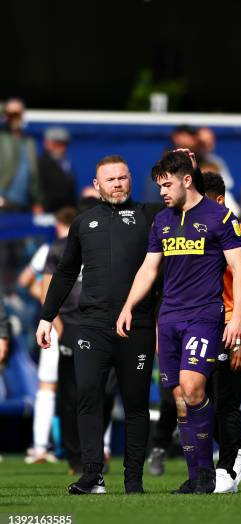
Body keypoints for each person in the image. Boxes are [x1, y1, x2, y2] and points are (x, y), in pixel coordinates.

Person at [116, 151, 241, 495]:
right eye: (159, 185)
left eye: (167, 184)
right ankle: (197, 476)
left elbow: (240, 269)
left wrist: (240, 321)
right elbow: (149, 268)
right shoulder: (162, 221)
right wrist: (129, 305)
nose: (161, 191)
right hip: (168, 317)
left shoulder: (220, 217)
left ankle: (207, 472)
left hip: (204, 314)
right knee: (178, 398)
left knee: (192, 388)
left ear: (187, 180)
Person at [36, 155, 161, 494]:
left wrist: (189, 169)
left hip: (137, 324)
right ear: (97, 185)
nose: (117, 184)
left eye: (122, 177)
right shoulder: (83, 222)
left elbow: (185, 196)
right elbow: (63, 273)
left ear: (130, 179)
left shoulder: (151, 216)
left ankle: (133, 479)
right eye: (110, 179)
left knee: (135, 402)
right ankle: (92, 474)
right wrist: (47, 317)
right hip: (91, 325)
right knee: (87, 396)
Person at [199, 171, 241, 493]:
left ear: (219, 202)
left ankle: (226, 470)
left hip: (228, 325)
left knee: (226, 398)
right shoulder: (194, 233)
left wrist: (240, 341)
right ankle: (239, 447)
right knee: (193, 396)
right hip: (195, 322)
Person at [22, 208, 76, 465]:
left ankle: (40, 447)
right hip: (69, 323)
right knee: (92, 387)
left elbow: (26, 281)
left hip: (56, 324)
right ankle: (103, 447)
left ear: (57, 224)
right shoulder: (90, 244)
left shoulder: (49, 249)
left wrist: (44, 299)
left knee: (48, 386)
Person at [0, 98, 42, 213]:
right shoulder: (2, 138)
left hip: (24, 204)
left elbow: (33, 174)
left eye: (17, 114)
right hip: (3, 200)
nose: (13, 117)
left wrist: (37, 201)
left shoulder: (29, 142)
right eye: (10, 114)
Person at [38, 127, 77, 213]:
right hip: (47, 211)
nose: (62, 148)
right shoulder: (40, 163)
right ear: (47, 143)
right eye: (57, 144)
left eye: (64, 144)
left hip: (65, 212)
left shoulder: (66, 164)